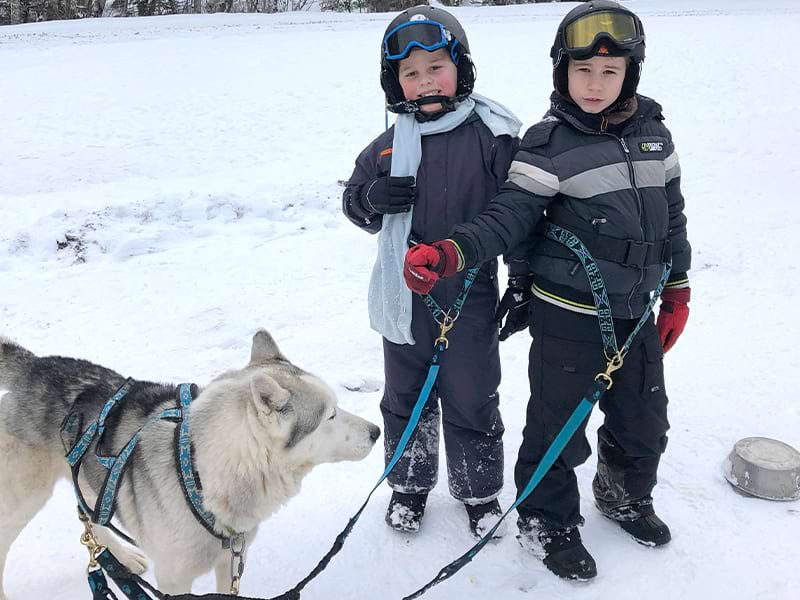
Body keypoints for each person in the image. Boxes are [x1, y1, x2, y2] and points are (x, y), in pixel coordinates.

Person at [402, 0, 691, 580]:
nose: (594, 84)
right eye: (582, 71)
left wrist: (677, 289)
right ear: (562, 72)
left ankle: (622, 495)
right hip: (569, 315)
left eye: (609, 73)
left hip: (635, 314)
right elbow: (508, 217)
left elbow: (674, 218)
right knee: (557, 429)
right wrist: (453, 251)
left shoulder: (657, 138)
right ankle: (546, 521)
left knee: (644, 422)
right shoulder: (547, 144)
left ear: (629, 75)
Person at [342, 5, 521, 538]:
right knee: (405, 393)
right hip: (405, 293)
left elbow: (521, 211)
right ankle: (409, 484)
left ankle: (478, 490)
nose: (424, 82)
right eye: (411, 73)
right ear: (394, 82)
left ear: (460, 68)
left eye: (436, 67)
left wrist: (524, 278)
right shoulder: (388, 145)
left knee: (471, 392)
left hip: (471, 290)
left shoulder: (494, 136)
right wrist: (371, 198)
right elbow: (353, 202)